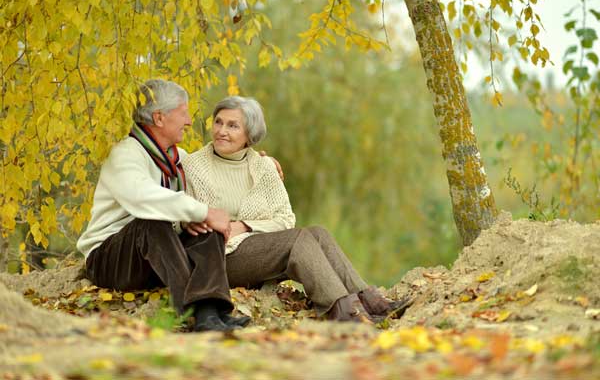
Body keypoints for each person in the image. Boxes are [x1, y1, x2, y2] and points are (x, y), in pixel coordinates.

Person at [182, 96, 406, 322]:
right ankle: (344, 313)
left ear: (249, 135)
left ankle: (369, 301)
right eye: (218, 122)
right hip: (219, 260)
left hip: (256, 249)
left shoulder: (264, 167)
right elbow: (189, 220)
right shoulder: (194, 166)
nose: (221, 130)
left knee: (318, 233)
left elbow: (285, 219)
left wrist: (245, 226)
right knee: (298, 239)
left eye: (232, 126)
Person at [77, 79, 252, 332]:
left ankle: (208, 314)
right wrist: (202, 212)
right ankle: (189, 311)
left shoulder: (177, 158)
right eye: (183, 113)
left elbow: (218, 172)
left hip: (155, 258)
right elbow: (143, 198)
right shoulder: (124, 155)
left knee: (206, 228)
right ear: (159, 118)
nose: (190, 121)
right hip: (110, 261)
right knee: (153, 221)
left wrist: (256, 162)